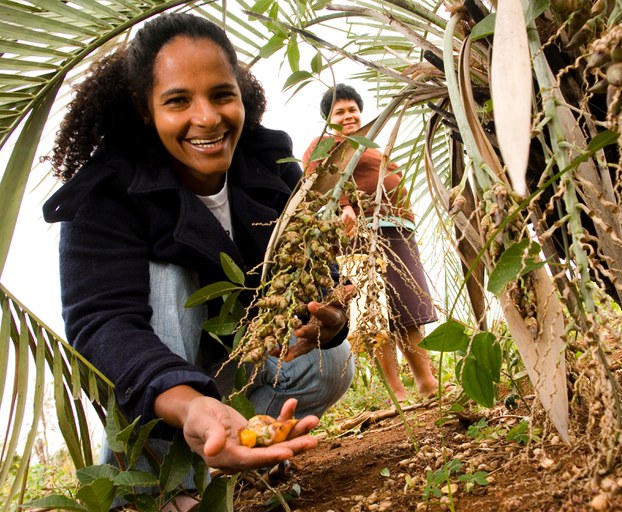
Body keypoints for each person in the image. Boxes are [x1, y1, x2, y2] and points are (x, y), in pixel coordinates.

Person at [42, 12, 354, 508]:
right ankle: (159, 487)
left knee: (332, 361)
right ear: (146, 110)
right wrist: (191, 406)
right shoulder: (107, 192)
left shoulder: (270, 165)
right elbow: (103, 322)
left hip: (234, 370)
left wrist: (330, 316)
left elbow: (316, 267)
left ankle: (226, 447)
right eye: (178, 101)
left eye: (221, 95)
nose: (207, 118)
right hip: (160, 387)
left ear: (242, 95)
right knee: (168, 274)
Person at [302, 84, 441, 403]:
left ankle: (427, 383)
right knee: (374, 313)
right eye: (340, 111)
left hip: (395, 230)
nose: (348, 116)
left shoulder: (370, 145)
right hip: (358, 233)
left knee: (408, 309)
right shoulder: (324, 144)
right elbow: (318, 179)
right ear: (328, 119)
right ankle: (397, 392)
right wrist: (345, 205)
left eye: (352, 110)